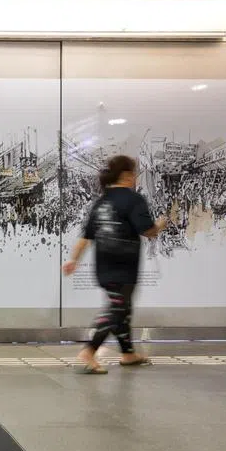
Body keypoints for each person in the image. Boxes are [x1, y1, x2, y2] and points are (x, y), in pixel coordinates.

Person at [62, 155, 167, 374]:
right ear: (127, 175)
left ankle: (128, 353)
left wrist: (73, 259)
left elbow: (86, 236)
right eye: (134, 173)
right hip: (125, 263)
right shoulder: (133, 199)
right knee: (117, 308)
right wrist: (161, 224)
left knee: (122, 308)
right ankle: (89, 351)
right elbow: (147, 230)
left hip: (103, 263)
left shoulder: (101, 202)